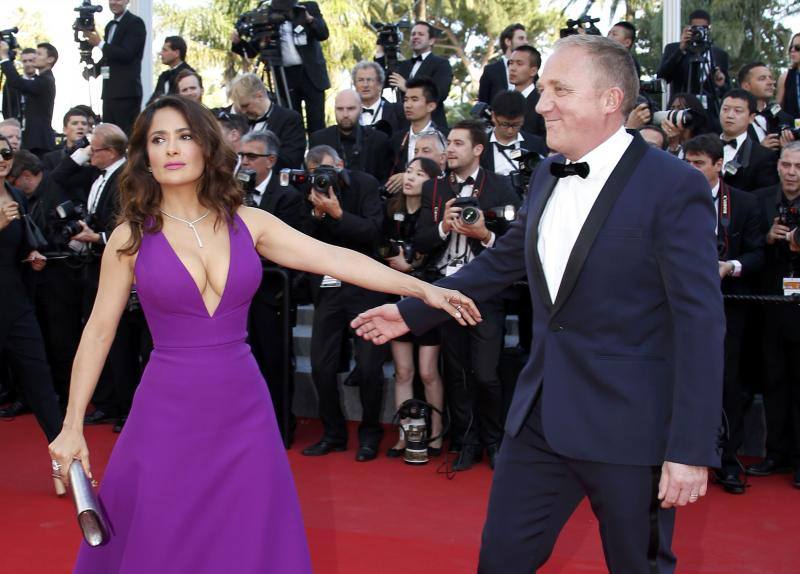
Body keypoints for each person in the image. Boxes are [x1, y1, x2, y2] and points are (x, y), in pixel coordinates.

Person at [48, 96, 476, 571]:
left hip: (242, 405)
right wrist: (71, 426)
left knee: (244, 531)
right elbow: (98, 332)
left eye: (184, 137)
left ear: (207, 148)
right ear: (145, 156)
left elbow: (336, 259)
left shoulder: (249, 223)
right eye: (158, 139)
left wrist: (425, 290)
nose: (171, 149)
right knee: (160, 532)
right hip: (167, 405)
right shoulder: (130, 238)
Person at [353, 35, 724, 572]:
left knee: (637, 565)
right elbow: (501, 263)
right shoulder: (549, 173)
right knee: (500, 559)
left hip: (630, 428)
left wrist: (689, 448)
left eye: (558, 90)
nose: (541, 103)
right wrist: (413, 307)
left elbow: (701, 323)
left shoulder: (674, 186)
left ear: (609, 100)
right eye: (543, 89)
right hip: (541, 418)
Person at [409, 119, 521, 471]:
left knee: (486, 373)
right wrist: (444, 225)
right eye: (449, 143)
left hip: (485, 292)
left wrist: (483, 233)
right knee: (455, 372)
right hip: (445, 289)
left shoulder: (501, 187)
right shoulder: (435, 189)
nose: (449, 149)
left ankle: (495, 441)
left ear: (477, 149)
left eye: (458, 143)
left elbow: (515, 245)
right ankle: (465, 442)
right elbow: (421, 242)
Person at [683, 134, 765, 495]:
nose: (691, 169)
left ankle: (727, 462)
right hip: (678, 307)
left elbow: (758, 254)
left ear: (719, 165)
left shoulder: (745, 204)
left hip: (729, 305)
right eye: (687, 162)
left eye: (699, 163)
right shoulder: (671, 199)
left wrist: (728, 266)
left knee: (727, 382)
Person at [0, 135, 64, 495]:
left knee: (41, 385)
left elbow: (21, 248)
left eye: (6, 152)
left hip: (17, 304)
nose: (2, 159)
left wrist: (32, 259)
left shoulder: (19, 197)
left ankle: (64, 466)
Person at [238, 129, 307, 444]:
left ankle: (280, 427)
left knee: (274, 362)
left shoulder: (287, 198)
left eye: (251, 156)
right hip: (237, 296)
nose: (244, 162)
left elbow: (289, 248)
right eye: (241, 155)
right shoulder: (232, 193)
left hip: (272, 295)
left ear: (271, 160)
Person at [382, 156, 445, 457]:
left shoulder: (433, 215)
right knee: (403, 372)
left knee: (428, 372)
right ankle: (405, 436)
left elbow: (431, 257)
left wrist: (409, 267)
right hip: (396, 298)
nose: (410, 177)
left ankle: (435, 435)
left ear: (432, 182)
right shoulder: (391, 210)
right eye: (409, 171)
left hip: (427, 300)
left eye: (420, 174)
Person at [750, 141, 800, 489]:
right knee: (773, 381)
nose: (792, 173)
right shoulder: (761, 199)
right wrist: (767, 238)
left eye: (798, 167)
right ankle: (775, 453)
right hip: (768, 304)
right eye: (786, 165)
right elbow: (749, 248)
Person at [231, 1, 331, 133]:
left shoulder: (307, 8)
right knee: (292, 122)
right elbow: (253, 51)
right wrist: (238, 43)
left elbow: (323, 34)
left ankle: (318, 152)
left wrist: (310, 19)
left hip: (311, 75)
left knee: (317, 123)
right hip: (285, 76)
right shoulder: (266, 14)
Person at [85, 0, 147, 135]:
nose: (114, 2)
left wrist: (99, 43)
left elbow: (126, 54)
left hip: (126, 92)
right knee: (108, 136)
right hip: (109, 92)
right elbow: (109, 57)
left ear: (127, 1)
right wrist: (93, 71)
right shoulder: (109, 26)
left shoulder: (135, 23)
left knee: (124, 136)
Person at [657, 9, 730, 123]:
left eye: (704, 28)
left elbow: (727, 91)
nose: (699, 32)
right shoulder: (673, 48)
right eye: (695, 28)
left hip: (709, 116)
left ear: (709, 29)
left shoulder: (719, 54)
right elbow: (662, 77)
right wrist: (681, 49)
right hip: (680, 111)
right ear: (689, 28)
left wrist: (720, 84)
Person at [381, 21, 453, 130]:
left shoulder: (441, 63)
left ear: (431, 40)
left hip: (432, 127)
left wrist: (406, 87)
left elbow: (440, 93)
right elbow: (379, 82)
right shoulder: (403, 65)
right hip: (403, 128)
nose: (415, 37)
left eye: (421, 34)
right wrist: (380, 51)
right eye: (413, 34)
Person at [309, 89, 393, 182]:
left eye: (351, 108)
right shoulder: (318, 139)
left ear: (361, 109)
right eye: (340, 109)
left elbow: (384, 180)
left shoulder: (379, 140)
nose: (345, 114)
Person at [230, 73, 306, 170]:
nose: (243, 111)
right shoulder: (240, 121)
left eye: (246, 105)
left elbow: (291, 160)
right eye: (241, 107)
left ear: (259, 96)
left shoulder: (289, 119)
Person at [0, 41, 58, 156]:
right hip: (32, 141)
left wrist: (4, 58)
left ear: (50, 59)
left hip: (39, 143)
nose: (35, 57)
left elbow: (17, 82)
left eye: (39, 54)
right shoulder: (43, 79)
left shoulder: (46, 80)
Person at [719, 89, 779, 192]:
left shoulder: (764, 156)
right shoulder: (703, 146)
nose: (730, 115)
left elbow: (765, 197)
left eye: (737, 111)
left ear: (751, 117)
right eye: (725, 109)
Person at [737, 62, 793, 150]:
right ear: (746, 86)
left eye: (770, 78)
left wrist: (788, 148)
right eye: (762, 78)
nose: (770, 82)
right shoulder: (735, 120)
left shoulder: (784, 117)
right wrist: (760, 151)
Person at [478, 24, 528, 105]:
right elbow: (482, 104)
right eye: (521, 38)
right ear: (508, 41)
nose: (526, 42)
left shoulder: (531, 72)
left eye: (526, 39)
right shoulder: (490, 71)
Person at [508, 45, 545, 138]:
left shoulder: (542, 102)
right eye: (511, 63)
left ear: (533, 71)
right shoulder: (503, 100)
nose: (512, 68)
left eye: (519, 64)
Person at [147, 36, 194, 105]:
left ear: (177, 53)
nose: (161, 53)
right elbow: (151, 102)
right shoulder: (164, 76)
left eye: (165, 50)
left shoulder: (189, 74)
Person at [0, 47, 36, 124]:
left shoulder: (42, 81)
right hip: (15, 126)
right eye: (25, 61)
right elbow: (5, 108)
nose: (28, 64)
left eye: (31, 61)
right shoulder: (10, 83)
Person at [776, 32, 800, 121]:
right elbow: (777, 107)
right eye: (791, 48)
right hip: (794, 130)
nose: (793, 50)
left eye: (797, 48)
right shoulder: (785, 77)